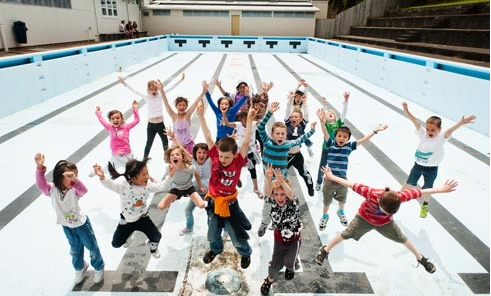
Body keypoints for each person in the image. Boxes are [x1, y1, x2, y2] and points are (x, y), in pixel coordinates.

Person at [315, 166, 458, 274]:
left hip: (385, 223)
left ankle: (421, 259)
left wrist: (442, 189)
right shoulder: (370, 193)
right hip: (363, 218)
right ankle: (325, 251)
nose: (384, 212)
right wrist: (332, 177)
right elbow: (351, 184)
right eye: (384, 210)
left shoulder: (400, 196)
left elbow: (421, 192)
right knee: (345, 234)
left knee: (403, 238)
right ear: (379, 201)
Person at [197, 99, 257, 269]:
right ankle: (215, 250)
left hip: (230, 204)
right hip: (214, 203)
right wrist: (201, 116)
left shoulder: (238, 161)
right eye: (221, 156)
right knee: (212, 234)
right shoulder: (215, 155)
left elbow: (245, 142)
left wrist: (250, 121)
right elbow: (208, 136)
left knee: (237, 236)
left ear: (234, 155)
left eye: (227, 157)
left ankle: (246, 253)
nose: (223, 160)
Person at [34, 153, 104, 285]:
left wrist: (75, 181)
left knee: (92, 247)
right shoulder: (51, 189)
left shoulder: (74, 190)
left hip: (82, 224)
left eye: (75, 176)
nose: (73, 178)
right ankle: (80, 267)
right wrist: (40, 168)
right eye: (69, 176)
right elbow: (40, 185)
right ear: (60, 177)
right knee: (75, 249)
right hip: (66, 226)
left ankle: (99, 266)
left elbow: (84, 190)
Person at [400, 102, 476, 218]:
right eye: (428, 129)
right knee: (408, 183)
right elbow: (414, 121)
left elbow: (450, 130)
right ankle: (396, 198)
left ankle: (425, 205)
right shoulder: (423, 134)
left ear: (439, 129)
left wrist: (461, 123)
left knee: (428, 189)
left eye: (433, 130)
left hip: (431, 169)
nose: (429, 132)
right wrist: (406, 110)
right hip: (417, 166)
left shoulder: (441, 138)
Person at [317, 109, 388, 230]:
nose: (341, 138)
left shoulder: (349, 147)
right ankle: (324, 215)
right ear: (335, 136)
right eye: (339, 136)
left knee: (343, 198)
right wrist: (321, 121)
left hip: (342, 180)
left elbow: (363, 140)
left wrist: (375, 131)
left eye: (345, 137)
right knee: (327, 200)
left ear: (348, 139)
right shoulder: (331, 144)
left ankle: (341, 211)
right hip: (329, 179)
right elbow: (325, 133)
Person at [257, 102, 316, 237]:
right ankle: (264, 224)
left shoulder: (286, 145)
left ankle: (283, 222)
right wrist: (269, 113)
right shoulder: (267, 142)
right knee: (267, 205)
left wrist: (312, 131)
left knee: (285, 203)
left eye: (283, 134)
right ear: (272, 134)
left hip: (282, 181)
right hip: (269, 181)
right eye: (277, 133)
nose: (280, 136)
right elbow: (261, 128)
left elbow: (301, 139)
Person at [93, 158, 170, 259]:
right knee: (116, 244)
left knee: (157, 236)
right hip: (126, 220)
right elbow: (110, 184)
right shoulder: (123, 186)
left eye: (147, 173)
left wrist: (170, 175)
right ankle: (127, 235)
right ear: (132, 178)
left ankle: (153, 248)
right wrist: (102, 176)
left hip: (143, 218)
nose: (147, 176)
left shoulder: (148, 185)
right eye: (143, 174)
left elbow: (162, 187)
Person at [117, 73, 184, 159]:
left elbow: (171, 87)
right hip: (151, 125)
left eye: (155, 89)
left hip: (160, 124)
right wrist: (124, 83)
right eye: (151, 89)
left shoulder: (160, 95)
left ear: (158, 89)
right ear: (148, 90)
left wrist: (180, 80)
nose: (154, 91)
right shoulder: (146, 96)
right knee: (149, 143)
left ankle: (168, 159)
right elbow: (134, 90)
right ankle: (144, 160)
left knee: (165, 142)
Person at [260, 165, 302, 296]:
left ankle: (291, 266)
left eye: (282, 193)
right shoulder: (272, 201)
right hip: (279, 240)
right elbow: (268, 193)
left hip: (294, 239)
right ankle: (269, 280)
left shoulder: (292, 202)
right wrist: (268, 179)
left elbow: (290, 194)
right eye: (276, 194)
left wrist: (282, 181)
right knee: (275, 265)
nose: (279, 197)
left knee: (290, 261)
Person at [156, 132, 206, 211]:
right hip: (176, 188)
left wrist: (200, 187)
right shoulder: (169, 168)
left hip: (189, 188)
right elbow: (165, 181)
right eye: (172, 155)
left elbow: (197, 175)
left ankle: (189, 196)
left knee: (202, 205)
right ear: (170, 159)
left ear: (182, 158)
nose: (175, 156)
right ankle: (179, 196)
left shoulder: (190, 168)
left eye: (177, 155)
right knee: (160, 206)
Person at [221, 109, 263, 198]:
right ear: (241, 119)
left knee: (252, 169)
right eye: (244, 120)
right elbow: (227, 123)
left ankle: (255, 188)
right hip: (240, 150)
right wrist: (224, 114)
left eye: (247, 120)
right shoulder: (238, 125)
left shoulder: (253, 123)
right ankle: (236, 179)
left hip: (250, 149)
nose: (246, 122)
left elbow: (262, 122)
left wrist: (262, 111)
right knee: (234, 167)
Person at [314, 92, 350, 191]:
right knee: (322, 166)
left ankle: (335, 184)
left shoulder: (339, 123)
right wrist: (325, 105)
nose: (330, 114)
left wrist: (346, 101)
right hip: (326, 149)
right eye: (328, 114)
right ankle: (318, 182)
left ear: (335, 117)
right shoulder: (325, 124)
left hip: (337, 150)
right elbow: (322, 114)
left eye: (332, 113)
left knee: (335, 168)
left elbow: (344, 114)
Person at [92, 100, 140, 174]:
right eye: (113, 119)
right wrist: (98, 113)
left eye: (117, 118)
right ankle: (96, 172)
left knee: (137, 171)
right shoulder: (109, 127)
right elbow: (102, 120)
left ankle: (150, 179)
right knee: (105, 170)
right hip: (115, 157)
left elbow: (137, 120)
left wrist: (135, 109)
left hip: (127, 156)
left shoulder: (126, 127)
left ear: (122, 119)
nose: (115, 120)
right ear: (110, 120)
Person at [159, 79, 206, 154]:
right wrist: (161, 90)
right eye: (179, 105)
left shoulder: (187, 115)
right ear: (176, 106)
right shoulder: (174, 116)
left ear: (186, 106)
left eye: (184, 105)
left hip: (187, 146)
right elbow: (166, 103)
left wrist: (203, 92)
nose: (181, 107)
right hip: (176, 146)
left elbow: (195, 102)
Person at [179, 143, 211, 236]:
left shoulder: (210, 161)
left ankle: (213, 230)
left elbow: (217, 150)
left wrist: (231, 139)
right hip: (196, 192)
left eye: (204, 152)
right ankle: (189, 227)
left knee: (212, 212)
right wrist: (173, 138)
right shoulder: (193, 161)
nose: (201, 155)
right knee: (188, 210)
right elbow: (182, 150)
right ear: (195, 154)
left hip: (209, 192)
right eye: (199, 152)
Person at [284, 105, 314, 197]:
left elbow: (307, 114)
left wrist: (305, 102)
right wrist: (289, 100)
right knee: (280, 174)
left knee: (305, 173)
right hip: (286, 156)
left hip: (297, 155)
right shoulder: (287, 124)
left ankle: (310, 187)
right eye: (292, 116)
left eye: (296, 117)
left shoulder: (302, 126)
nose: (293, 118)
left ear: (301, 119)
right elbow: (287, 111)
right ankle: (282, 192)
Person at [286, 79, 314, 157]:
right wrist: (298, 85)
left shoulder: (302, 105)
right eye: (296, 97)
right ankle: (289, 148)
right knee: (293, 135)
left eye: (300, 97)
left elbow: (305, 95)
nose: (298, 99)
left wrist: (306, 87)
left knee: (302, 134)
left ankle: (308, 148)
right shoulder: (292, 104)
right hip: (291, 122)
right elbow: (293, 94)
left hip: (300, 123)